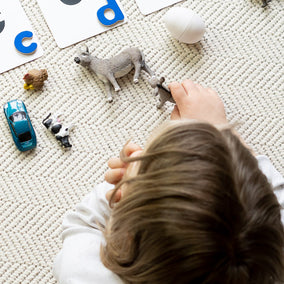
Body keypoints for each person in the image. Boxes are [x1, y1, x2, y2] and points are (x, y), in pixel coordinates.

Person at [53, 80, 284, 283]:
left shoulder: (83, 272)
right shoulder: (272, 254)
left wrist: (117, 194)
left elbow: (82, 225)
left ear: (127, 237)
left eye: (143, 157)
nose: (136, 154)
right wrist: (219, 131)